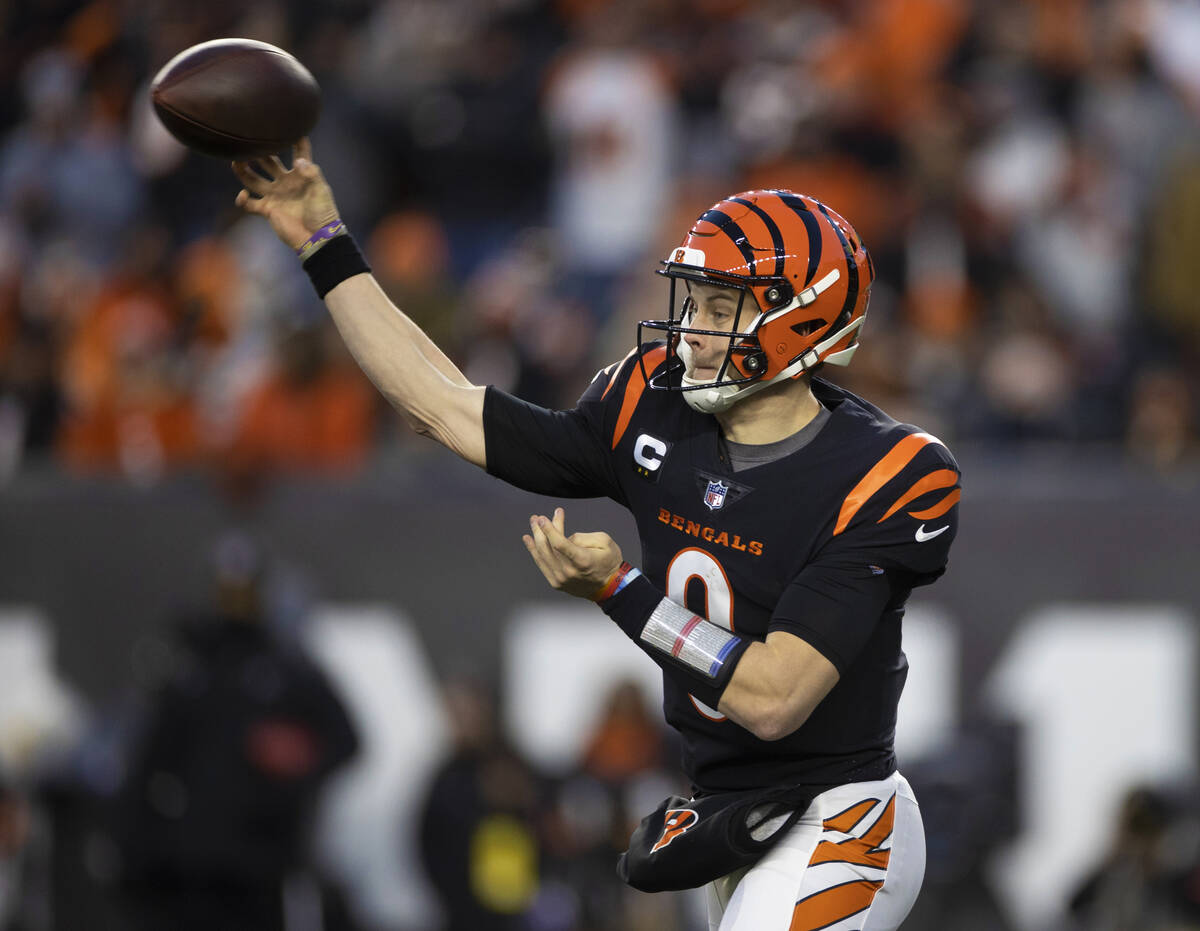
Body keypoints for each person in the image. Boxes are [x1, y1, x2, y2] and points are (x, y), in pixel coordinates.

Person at [230, 141, 961, 931]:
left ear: (802, 318)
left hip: (840, 817)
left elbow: (776, 698)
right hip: (728, 811)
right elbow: (439, 406)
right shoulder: (651, 405)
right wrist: (324, 243)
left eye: (723, 307)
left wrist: (621, 590)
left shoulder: (889, 471)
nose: (695, 327)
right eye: (696, 300)